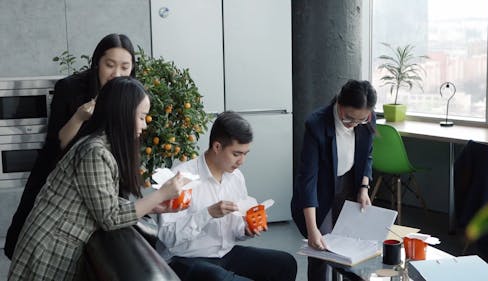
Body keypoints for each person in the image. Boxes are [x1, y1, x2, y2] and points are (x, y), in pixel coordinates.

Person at [8, 77, 189, 280]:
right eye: (141, 117)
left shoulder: (98, 146)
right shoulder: (95, 153)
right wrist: (160, 195)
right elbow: (109, 217)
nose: (144, 126)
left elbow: (101, 201)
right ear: (122, 114)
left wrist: (153, 207)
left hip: (52, 243)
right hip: (48, 249)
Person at [4, 33, 136, 259]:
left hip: (98, 181)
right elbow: (56, 145)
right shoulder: (70, 88)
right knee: (27, 245)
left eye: (125, 67)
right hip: (56, 177)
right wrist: (78, 117)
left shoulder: (129, 94)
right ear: (97, 64)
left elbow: (126, 145)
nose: (117, 74)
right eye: (110, 65)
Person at [156, 111, 297, 281]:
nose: (241, 161)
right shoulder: (181, 177)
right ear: (217, 147)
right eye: (236, 154)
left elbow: (234, 230)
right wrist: (207, 214)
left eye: (246, 154)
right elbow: (169, 238)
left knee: (285, 263)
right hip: (184, 259)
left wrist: (247, 229)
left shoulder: (236, 178)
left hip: (224, 254)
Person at [290, 79, 377, 281]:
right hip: (320, 190)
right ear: (339, 104)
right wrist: (312, 230)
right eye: (349, 119)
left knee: (353, 251)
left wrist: (364, 187)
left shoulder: (367, 118)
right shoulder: (317, 124)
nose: (354, 124)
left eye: (360, 120)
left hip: (350, 183)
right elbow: (308, 179)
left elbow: (367, 155)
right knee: (322, 251)